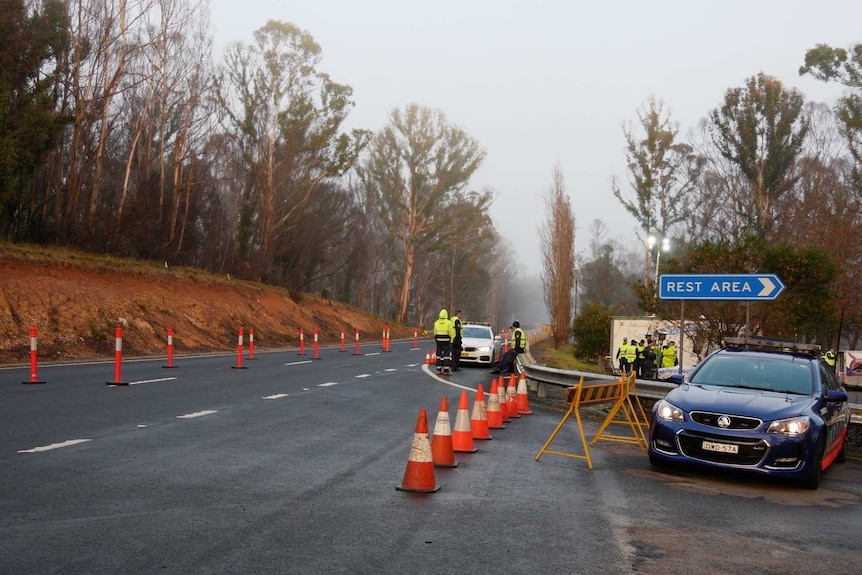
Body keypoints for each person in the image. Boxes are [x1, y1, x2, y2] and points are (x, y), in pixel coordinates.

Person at [433, 309, 455, 375]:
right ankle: (446, 370)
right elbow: (451, 333)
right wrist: (451, 340)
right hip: (446, 341)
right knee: (446, 356)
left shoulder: (436, 322)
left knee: (438, 356)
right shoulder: (449, 323)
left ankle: (438, 370)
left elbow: (435, 332)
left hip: (439, 341)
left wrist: (437, 340)